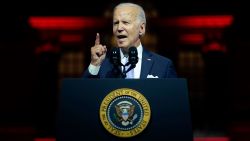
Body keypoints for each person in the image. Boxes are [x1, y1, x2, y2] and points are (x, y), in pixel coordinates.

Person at [83, 2, 177, 78]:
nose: (119, 28)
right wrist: (94, 64)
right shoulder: (103, 65)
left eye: (125, 22)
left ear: (141, 28)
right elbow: (85, 94)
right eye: (116, 23)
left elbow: (172, 99)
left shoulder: (163, 65)